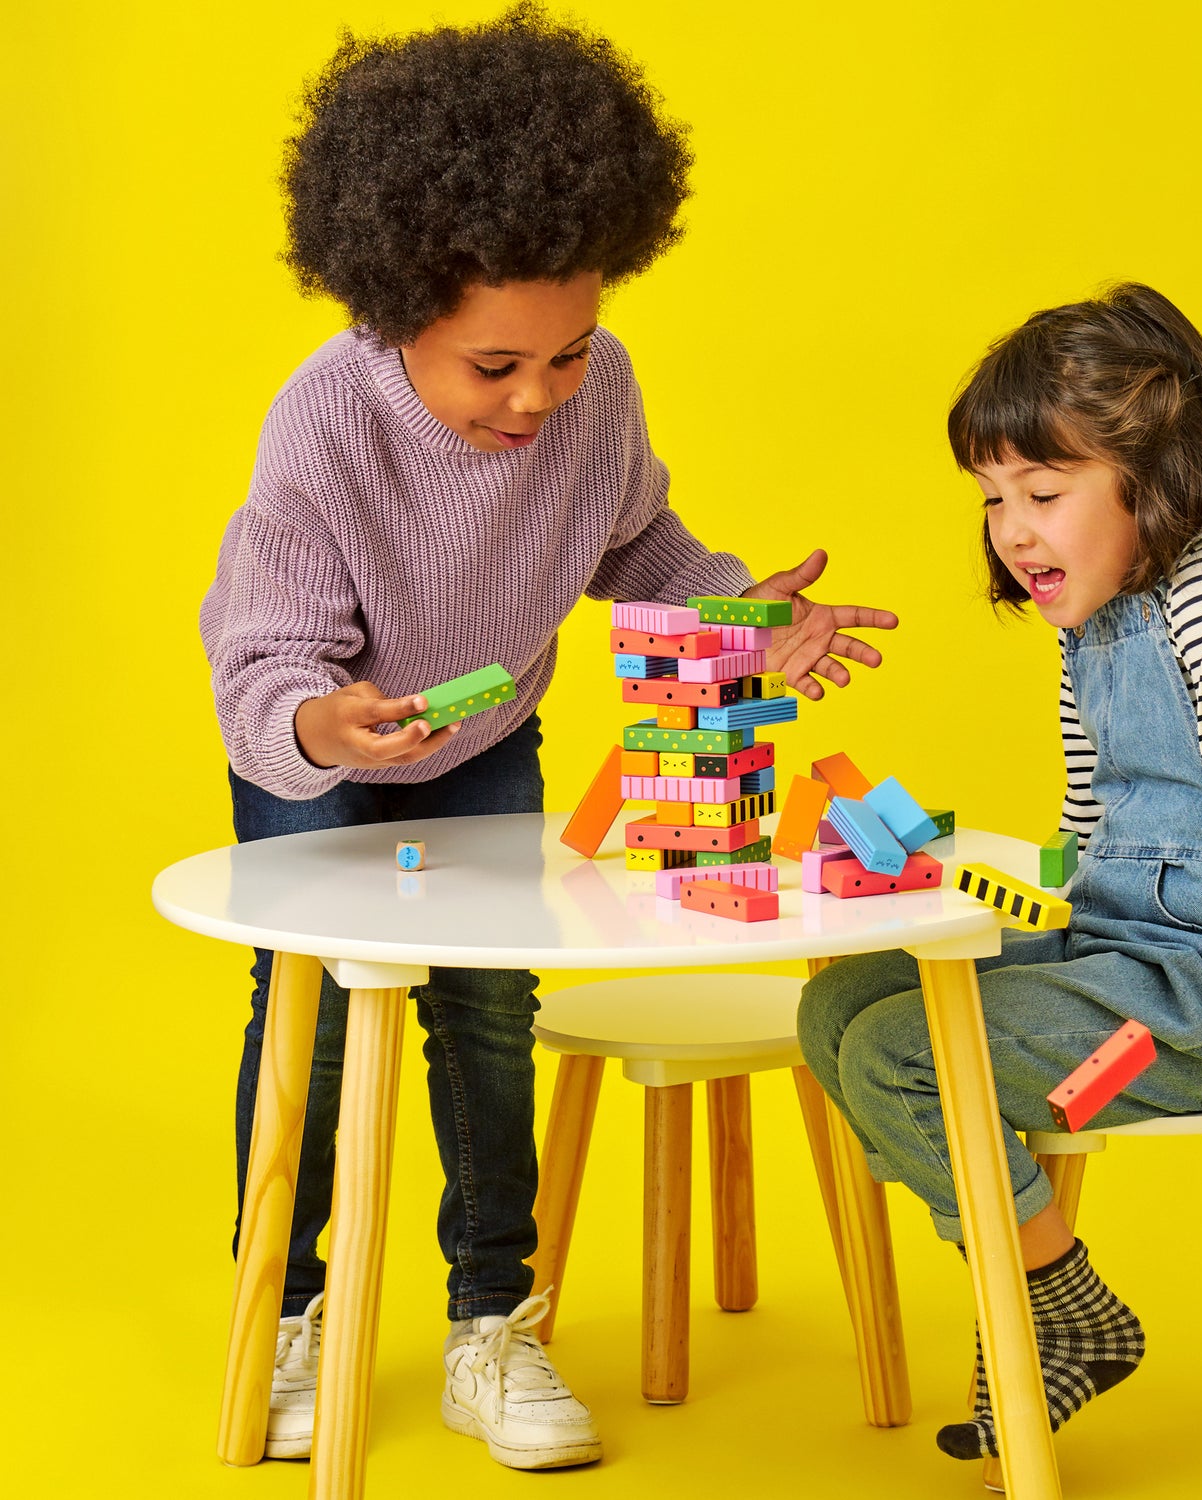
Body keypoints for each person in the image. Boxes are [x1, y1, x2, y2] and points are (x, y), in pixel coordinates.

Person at [201, 6, 895, 1471]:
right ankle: (293, 1308)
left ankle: (491, 1322)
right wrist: (323, 722)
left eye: (567, 355)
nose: (542, 398)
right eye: (496, 367)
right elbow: (262, 657)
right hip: (327, 756)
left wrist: (736, 615)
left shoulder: (599, 392)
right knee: (317, 1023)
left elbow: (636, 548)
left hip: (488, 739)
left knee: (487, 1017)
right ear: (395, 316)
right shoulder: (325, 423)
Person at [797, 282, 1202, 1461]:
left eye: (1046, 494)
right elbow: (1089, 817)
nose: (1013, 530)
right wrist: (1000, 907)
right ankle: (1053, 1290)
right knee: (838, 1001)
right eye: (995, 498)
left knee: (907, 1054)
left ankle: (1059, 1309)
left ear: (1154, 479)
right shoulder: (1101, 622)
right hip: (1118, 954)